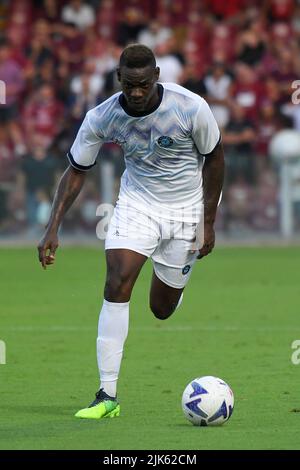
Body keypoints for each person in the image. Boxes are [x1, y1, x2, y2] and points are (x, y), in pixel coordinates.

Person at [38, 44, 224, 420]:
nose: (136, 93)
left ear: (156, 76)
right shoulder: (101, 116)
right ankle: (107, 395)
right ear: (119, 79)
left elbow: (216, 158)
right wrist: (52, 227)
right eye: (129, 85)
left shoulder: (190, 107)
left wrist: (208, 221)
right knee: (117, 281)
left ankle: (174, 283)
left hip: (187, 210)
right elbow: (76, 170)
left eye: (143, 84)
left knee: (161, 309)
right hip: (137, 206)